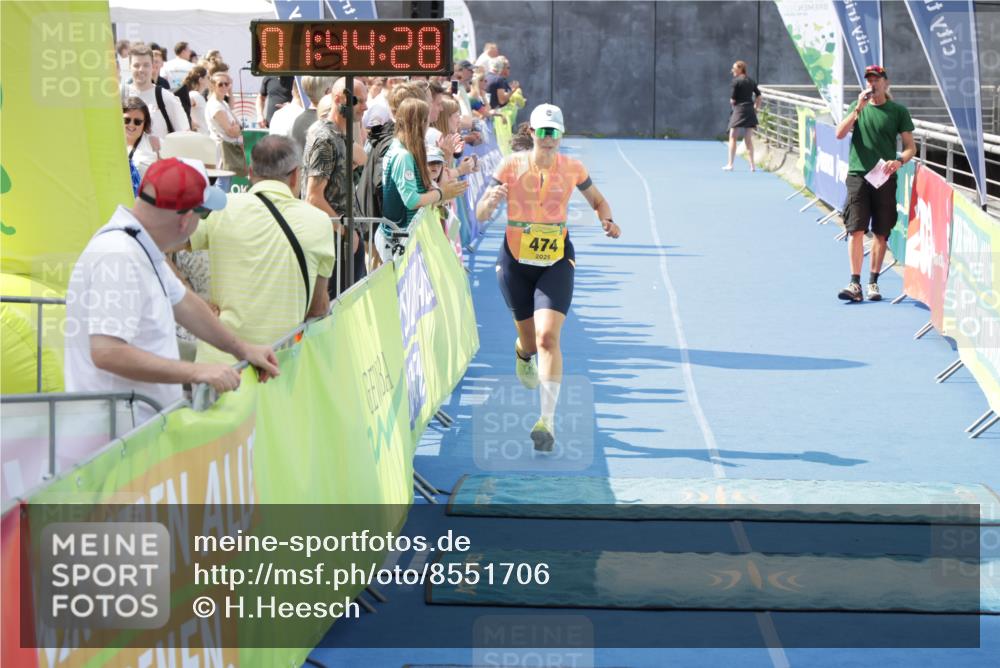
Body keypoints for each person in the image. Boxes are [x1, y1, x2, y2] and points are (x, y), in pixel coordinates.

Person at [64, 158, 280, 425]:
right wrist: (195, 372)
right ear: (186, 220)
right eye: (203, 215)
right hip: (111, 436)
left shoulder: (139, 244)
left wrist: (243, 349)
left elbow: (186, 305)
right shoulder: (119, 255)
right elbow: (107, 351)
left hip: (132, 429)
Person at [475, 104, 621, 452]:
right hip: (515, 261)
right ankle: (521, 355)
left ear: (561, 135)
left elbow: (600, 201)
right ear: (533, 134)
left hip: (556, 259)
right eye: (543, 132)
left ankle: (547, 420)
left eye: (555, 133)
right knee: (528, 342)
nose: (549, 139)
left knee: (547, 339)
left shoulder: (572, 168)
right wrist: (491, 201)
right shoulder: (510, 165)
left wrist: (607, 220)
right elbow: (479, 213)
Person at [188, 136, 335, 363]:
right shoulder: (319, 222)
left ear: (249, 171)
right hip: (279, 362)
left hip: (218, 363)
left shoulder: (223, 207)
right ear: (296, 175)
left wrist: (187, 293)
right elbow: (318, 307)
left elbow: (159, 241)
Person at [835, 64, 916, 302]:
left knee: (881, 233)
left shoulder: (898, 111)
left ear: (885, 82)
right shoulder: (856, 107)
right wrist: (857, 109)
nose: (872, 83)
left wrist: (899, 161)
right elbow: (839, 133)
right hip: (858, 175)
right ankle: (854, 283)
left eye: (876, 79)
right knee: (856, 230)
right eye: (869, 79)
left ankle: (873, 283)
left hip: (884, 177)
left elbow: (911, 147)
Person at [376, 97, 468, 262]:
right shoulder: (402, 155)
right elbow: (411, 200)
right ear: (421, 122)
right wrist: (442, 193)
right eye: (426, 121)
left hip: (404, 236)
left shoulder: (404, 149)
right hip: (398, 239)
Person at [302, 79, 369, 288]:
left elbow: (362, 160)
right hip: (333, 241)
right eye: (359, 101)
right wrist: (345, 230)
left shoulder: (339, 134)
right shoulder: (324, 138)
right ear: (339, 99)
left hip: (345, 239)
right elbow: (313, 197)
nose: (365, 107)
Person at [123, 44, 190, 138]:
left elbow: (184, 135)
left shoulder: (166, 97)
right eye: (136, 65)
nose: (141, 69)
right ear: (130, 67)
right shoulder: (120, 96)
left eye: (146, 65)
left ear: (152, 67)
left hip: (159, 152)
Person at [205, 72, 247, 178]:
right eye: (220, 84)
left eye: (226, 84)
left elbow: (237, 126)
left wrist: (237, 127)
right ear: (213, 86)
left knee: (225, 181)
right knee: (222, 181)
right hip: (222, 150)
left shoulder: (222, 103)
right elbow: (231, 132)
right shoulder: (215, 105)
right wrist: (237, 128)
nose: (224, 86)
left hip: (227, 148)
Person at [723, 60, 762, 171]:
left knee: (732, 137)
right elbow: (759, 96)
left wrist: (733, 103)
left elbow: (732, 100)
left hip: (739, 110)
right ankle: (752, 165)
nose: (732, 71)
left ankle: (730, 164)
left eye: (734, 68)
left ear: (740, 69)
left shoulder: (736, 82)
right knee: (748, 139)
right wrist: (756, 108)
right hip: (750, 110)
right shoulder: (751, 80)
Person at [123, 97, 159, 182]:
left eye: (137, 122)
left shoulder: (155, 143)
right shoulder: (111, 143)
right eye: (126, 120)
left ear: (145, 123)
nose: (131, 125)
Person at [173, 65, 208, 130]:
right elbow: (181, 106)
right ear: (201, 80)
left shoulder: (197, 95)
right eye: (207, 77)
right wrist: (190, 122)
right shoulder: (194, 95)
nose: (209, 80)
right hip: (199, 135)